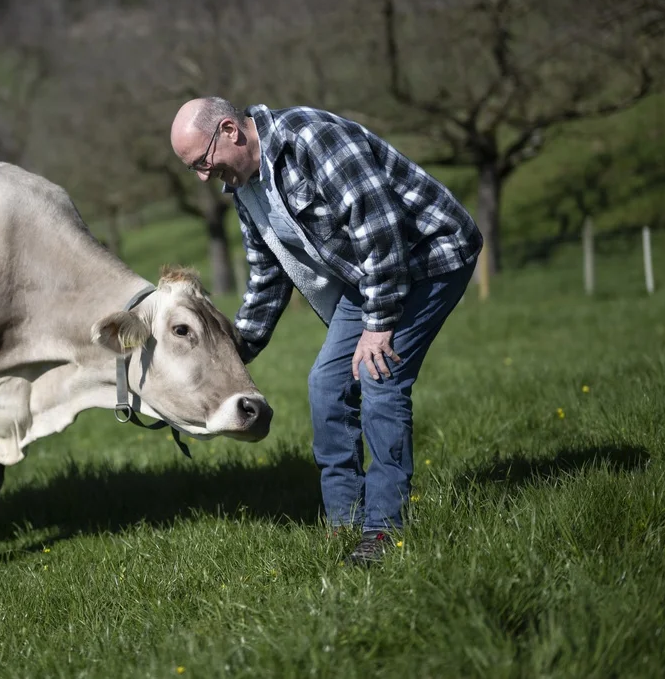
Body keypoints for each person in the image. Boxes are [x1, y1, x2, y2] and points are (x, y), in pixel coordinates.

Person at [169, 96, 482, 564]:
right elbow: (268, 274)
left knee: (380, 376)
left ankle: (384, 530)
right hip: (369, 275)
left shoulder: (312, 139)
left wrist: (379, 325)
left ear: (230, 130)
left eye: (202, 161)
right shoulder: (246, 187)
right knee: (326, 385)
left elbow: (380, 228)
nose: (202, 175)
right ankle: (344, 522)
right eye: (193, 168)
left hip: (430, 257)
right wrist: (231, 353)